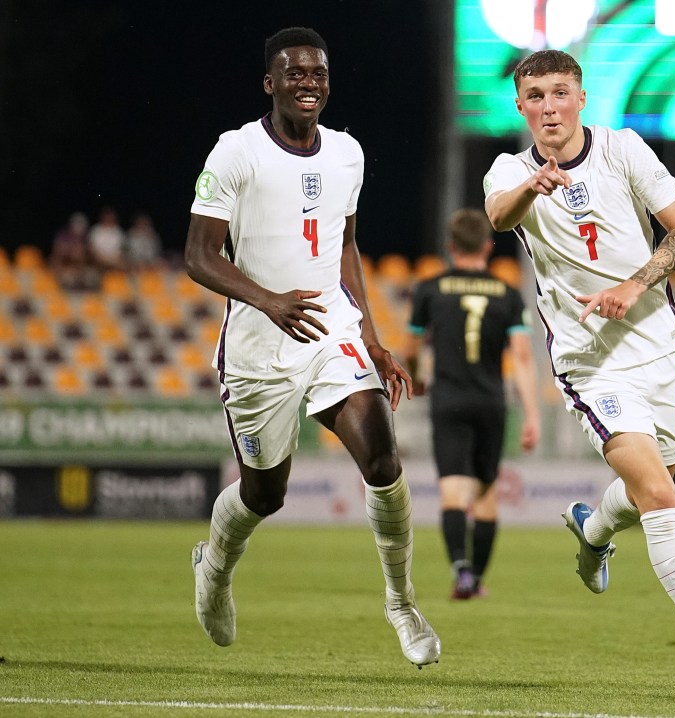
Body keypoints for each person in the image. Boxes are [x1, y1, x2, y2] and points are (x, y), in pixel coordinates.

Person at [482, 49, 675, 700]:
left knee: (651, 483)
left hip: (658, 346)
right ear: (520, 106)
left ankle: (592, 527)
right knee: (663, 499)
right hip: (589, 362)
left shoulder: (624, 149)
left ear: (581, 97)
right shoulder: (510, 169)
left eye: (559, 92)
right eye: (534, 96)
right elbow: (499, 214)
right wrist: (533, 186)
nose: (548, 106)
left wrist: (633, 283)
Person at [184, 26, 440, 668]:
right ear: (270, 82)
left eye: (319, 74)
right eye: (295, 73)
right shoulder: (235, 151)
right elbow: (197, 255)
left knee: (382, 456)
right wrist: (268, 300)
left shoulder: (347, 153)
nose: (309, 83)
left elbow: (344, 245)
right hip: (256, 346)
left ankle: (402, 602)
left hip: (329, 330)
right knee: (264, 494)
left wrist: (372, 338)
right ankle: (214, 563)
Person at [405, 208, 540, 600]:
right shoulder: (508, 294)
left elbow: (412, 346)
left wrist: (416, 377)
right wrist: (532, 414)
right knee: (485, 493)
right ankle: (475, 580)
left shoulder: (430, 289)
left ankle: (461, 570)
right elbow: (522, 357)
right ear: (487, 246)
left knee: (452, 492)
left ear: (450, 247)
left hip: (448, 398)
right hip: (489, 401)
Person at [49, 212, 95, 290]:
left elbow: (90, 255)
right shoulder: (63, 235)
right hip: (64, 268)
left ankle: (78, 280)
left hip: (79, 271)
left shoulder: (85, 239)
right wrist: (70, 251)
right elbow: (57, 253)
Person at [88, 206, 126, 272]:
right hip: (98, 262)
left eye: (110, 216)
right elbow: (92, 249)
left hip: (115, 262)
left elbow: (121, 251)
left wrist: (112, 260)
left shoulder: (119, 232)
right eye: (107, 216)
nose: (108, 218)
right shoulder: (95, 230)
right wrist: (104, 260)